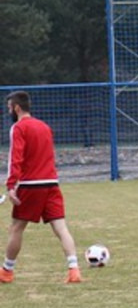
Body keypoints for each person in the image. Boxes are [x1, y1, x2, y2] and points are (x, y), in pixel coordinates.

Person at [2, 91, 82, 284]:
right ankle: (74, 270)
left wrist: (11, 185)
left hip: (31, 185)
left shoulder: (18, 127)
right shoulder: (45, 126)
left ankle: (6, 271)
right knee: (61, 227)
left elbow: (16, 157)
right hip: (51, 183)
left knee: (16, 228)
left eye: (9, 108)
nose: (8, 112)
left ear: (16, 108)